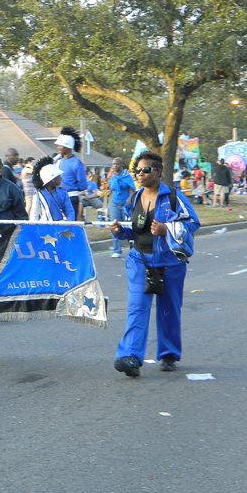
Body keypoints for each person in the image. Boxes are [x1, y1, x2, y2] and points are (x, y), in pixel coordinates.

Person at [109, 151, 200, 377]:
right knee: (137, 307)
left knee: (168, 309)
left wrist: (166, 229)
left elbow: (193, 223)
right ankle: (130, 356)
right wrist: (121, 232)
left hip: (170, 262)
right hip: (139, 260)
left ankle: (168, 354)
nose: (141, 174)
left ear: (158, 172)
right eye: (137, 170)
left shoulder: (173, 197)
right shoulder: (134, 198)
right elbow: (135, 231)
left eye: (146, 170)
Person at [53, 126, 87, 220]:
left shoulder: (77, 164)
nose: (58, 147)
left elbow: (83, 185)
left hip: (72, 199)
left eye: (61, 145)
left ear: (67, 146)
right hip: (58, 197)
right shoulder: (58, 161)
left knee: (70, 227)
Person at [29, 156, 75, 221]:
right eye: (58, 176)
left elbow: (69, 211)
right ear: (51, 179)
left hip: (59, 226)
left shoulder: (62, 192)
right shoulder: (38, 194)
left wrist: (70, 224)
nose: (61, 178)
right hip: (45, 227)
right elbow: (34, 214)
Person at [107, 157, 136, 259]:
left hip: (125, 204)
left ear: (121, 165)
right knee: (114, 225)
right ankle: (117, 250)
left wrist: (131, 205)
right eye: (113, 164)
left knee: (128, 226)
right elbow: (110, 192)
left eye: (117, 164)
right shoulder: (112, 177)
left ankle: (133, 248)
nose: (115, 166)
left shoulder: (127, 176)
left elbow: (131, 191)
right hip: (114, 203)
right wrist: (108, 208)